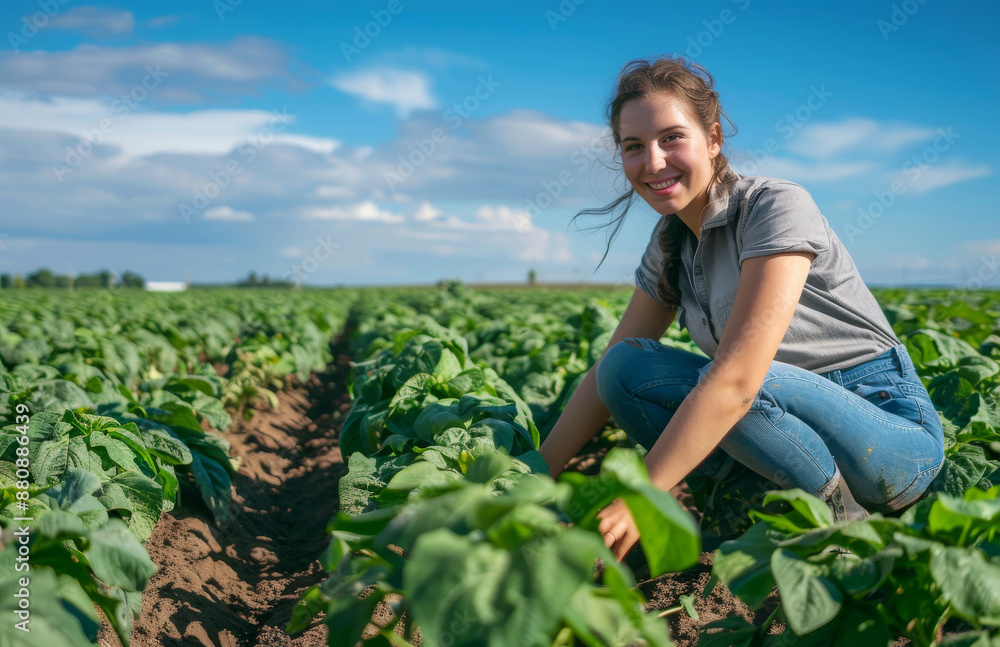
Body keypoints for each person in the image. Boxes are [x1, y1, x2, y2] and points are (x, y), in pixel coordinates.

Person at [537, 55, 945, 562]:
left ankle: (842, 532)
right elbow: (609, 370)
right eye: (634, 147)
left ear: (712, 139)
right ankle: (742, 502)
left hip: (887, 437)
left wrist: (642, 494)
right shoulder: (669, 244)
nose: (654, 162)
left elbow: (738, 382)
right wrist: (533, 476)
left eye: (671, 138)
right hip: (771, 416)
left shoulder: (775, 205)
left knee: (737, 379)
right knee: (625, 368)